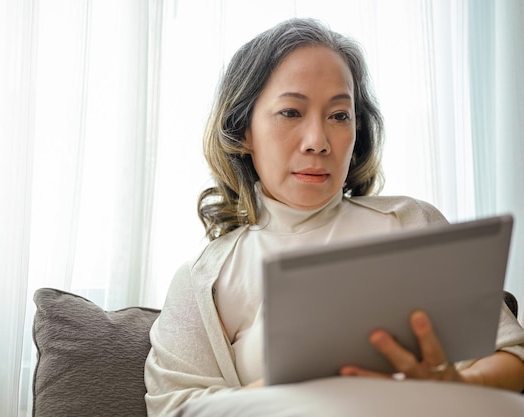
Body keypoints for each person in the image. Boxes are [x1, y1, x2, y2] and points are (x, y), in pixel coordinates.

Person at [144, 17, 524, 416]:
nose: (318, 142)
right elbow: (174, 408)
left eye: (339, 116)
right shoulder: (204, 281)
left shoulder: (409, 224)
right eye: (291, 112)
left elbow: (511, 356)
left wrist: (461, 384)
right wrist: (287, 387)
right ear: (243, 131)